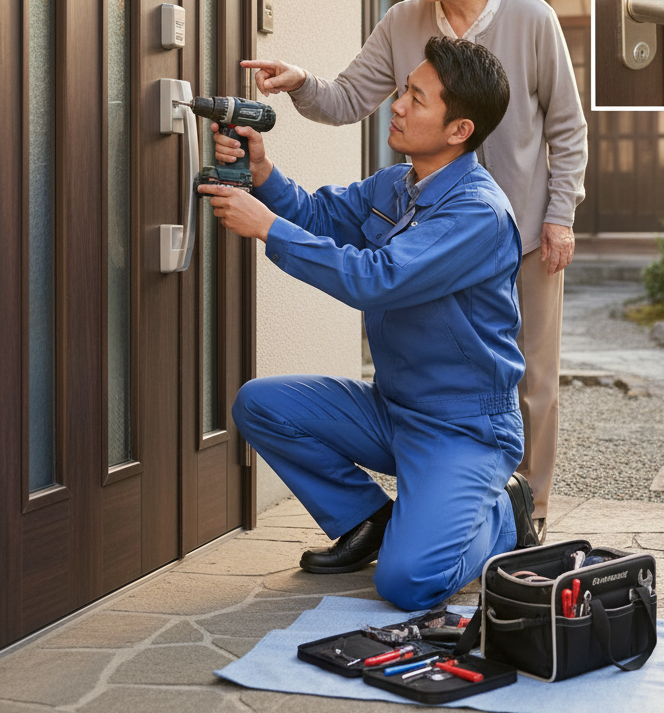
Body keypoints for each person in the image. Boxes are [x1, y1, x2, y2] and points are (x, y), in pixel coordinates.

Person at [240, 0, 587, 542]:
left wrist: (560, 213)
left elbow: (567, 128)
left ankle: (527, 509)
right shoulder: (403, 21)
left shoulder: (532, 19)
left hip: (521, 228)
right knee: (429, 355)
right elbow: (347, 99)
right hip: (429, 229)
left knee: (530, 376)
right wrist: (299, 84)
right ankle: (432, 487)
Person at [199, 37, 539, 611]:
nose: (398, 106)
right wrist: (264, 175)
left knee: (408, 585)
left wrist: (265, 228)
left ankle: (504, 511)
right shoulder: (397, 184)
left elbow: (376, 277)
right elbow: (321, 216)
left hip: (463, 428)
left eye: (417, 99)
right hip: (393, 409)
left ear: (459, 130)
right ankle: (368, 519)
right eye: (404, 90)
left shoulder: (477, 213)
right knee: (261, 404)